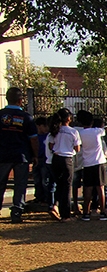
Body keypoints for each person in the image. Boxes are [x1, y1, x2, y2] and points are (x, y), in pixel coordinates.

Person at [0, 87, 39, 223]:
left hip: (2, 155)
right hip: (21, 156)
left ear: (7, 99)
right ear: (20, 101)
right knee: (20, 185)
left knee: (0, 184)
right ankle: (17, 212)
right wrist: (35, 155)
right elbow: (33, 139)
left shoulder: (1, 115)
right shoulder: (26, 117)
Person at [75, 110, 107, 221]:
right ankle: (103, 211)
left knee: (88, 189)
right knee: (100, 188)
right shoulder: (97, 131)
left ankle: (86, 213)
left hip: (87, 163)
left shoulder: (79, 133)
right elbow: (106, 129)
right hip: (99, 162)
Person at [48, 109, 80, 222]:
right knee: (67, 186)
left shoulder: (55, 130)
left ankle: (55, 206)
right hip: (67, 159)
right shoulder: (73, 131)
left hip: (56, 159)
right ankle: (66, 215)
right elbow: (77, 148)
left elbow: (50, 145)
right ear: (68, 119)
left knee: (59, 185)